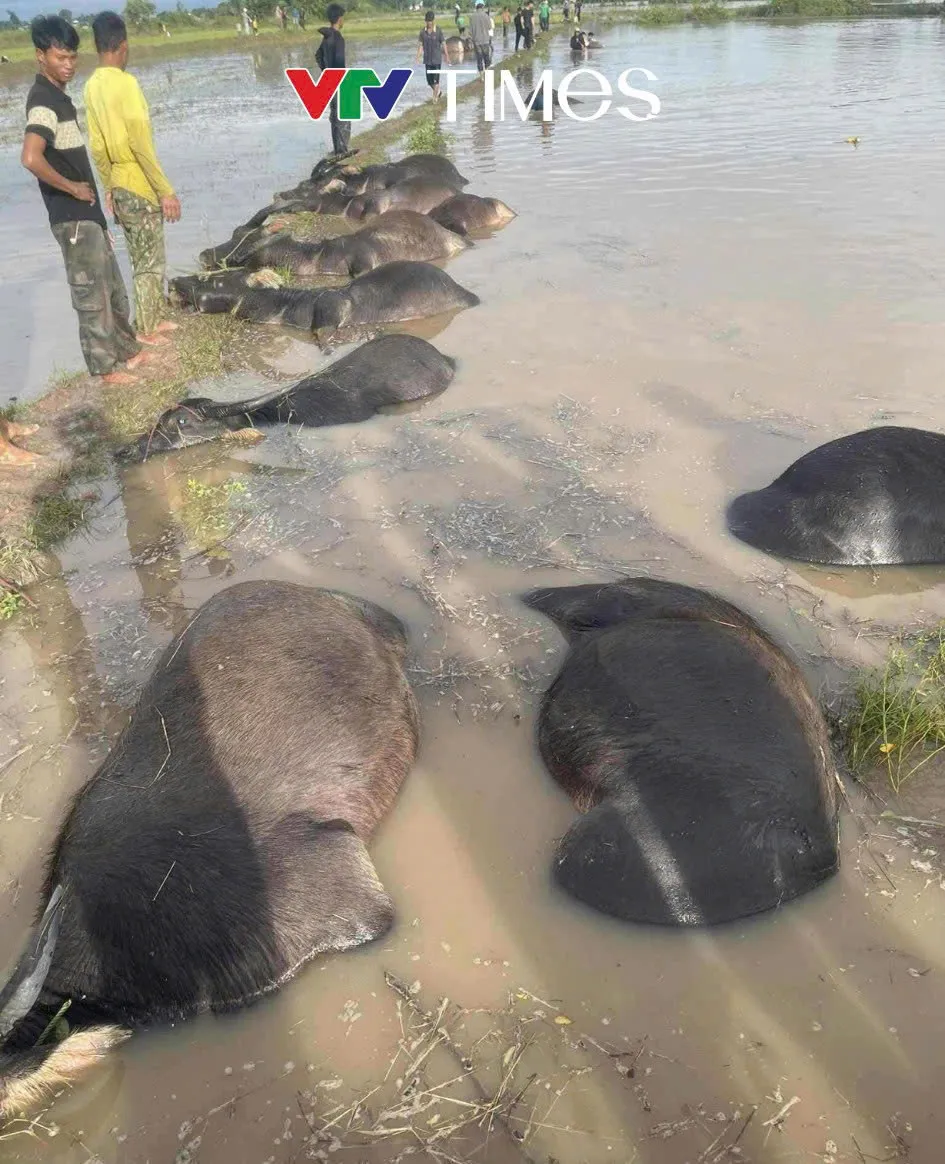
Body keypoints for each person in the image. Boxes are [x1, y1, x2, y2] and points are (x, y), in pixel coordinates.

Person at [21, 16, 149, 387]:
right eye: (61, 57)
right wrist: (72, 189)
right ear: (40, 55)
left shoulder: (60, 97)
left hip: (87, 215)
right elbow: (31, 157)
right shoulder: (43, 100)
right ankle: (106, 370)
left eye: (74, 57)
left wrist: (97, 214)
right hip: (71, 216)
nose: (69, 65)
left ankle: (128, 351)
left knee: (111, 286)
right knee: (91, 295)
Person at [84, 11, 181, 347]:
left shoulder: (91, 87)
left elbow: (97, 146)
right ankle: (149, 328)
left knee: (140, 257)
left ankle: (153, 317)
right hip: (138, 182)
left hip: (119, 184)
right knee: (150, 261)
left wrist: (108, 186)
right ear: (122, 45)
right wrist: (165, 190)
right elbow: (141, 144)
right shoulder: (127, 83)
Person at [316, 4, 349, 157]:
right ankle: (342, 151)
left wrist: (325, 71)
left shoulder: (326, 38)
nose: (343, 21)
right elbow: (339, 60)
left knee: (334, 115)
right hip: (338, 79)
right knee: (344, 114)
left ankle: (337, 149)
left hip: (328, 80)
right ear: (339, 19)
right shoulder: (338, 38)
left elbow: (318, 56)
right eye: (343, 18)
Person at [416, 9, 445, 101]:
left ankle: (434, 98)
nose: (429, 23)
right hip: (427, 60)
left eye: (430, 21)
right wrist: (418, 57)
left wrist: (447, 56)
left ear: (433, 21)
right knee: (429, 81)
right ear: (425, 21)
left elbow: (443, 43)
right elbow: (421, 46)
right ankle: (438, 92)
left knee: (436, 80)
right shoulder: (422, 32)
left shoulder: (438, 31)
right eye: (427, 21)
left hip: (437, 60)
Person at [470, 0, 491, 74]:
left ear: (476, 7)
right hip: (485, 40)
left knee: (479, 59)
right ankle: (487, 73)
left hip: (477, 41)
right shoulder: (486, 15)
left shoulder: (472, 17)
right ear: (482, 6)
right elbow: (489, 27)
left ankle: (481, 76)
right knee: (486, 58)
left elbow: (471, 31)